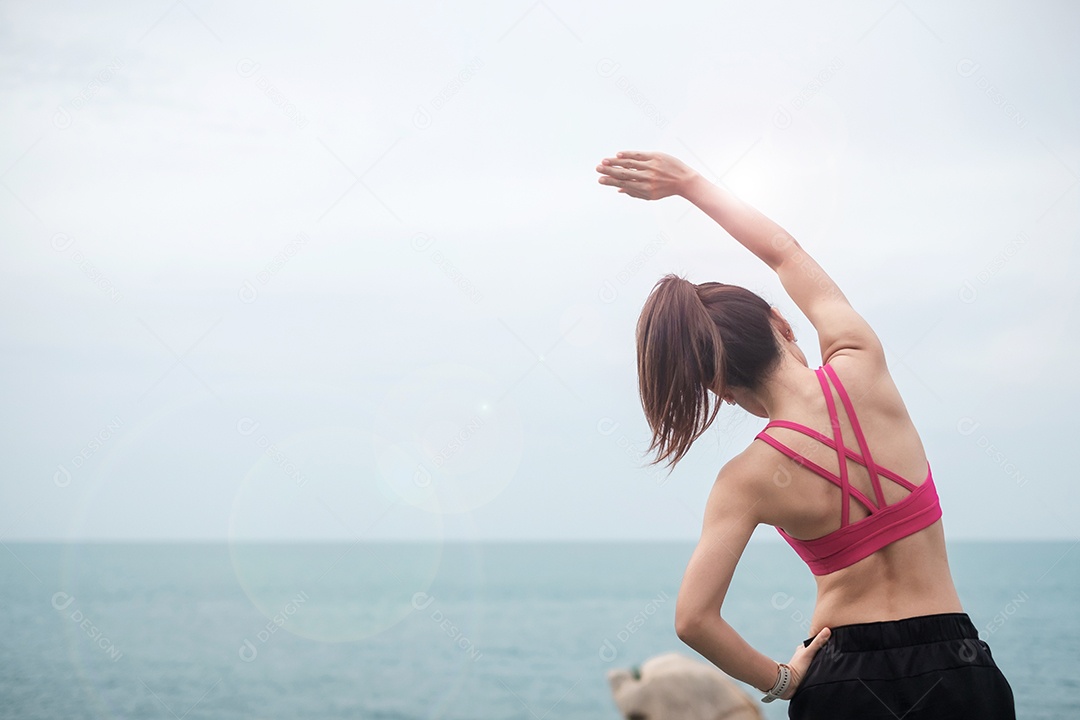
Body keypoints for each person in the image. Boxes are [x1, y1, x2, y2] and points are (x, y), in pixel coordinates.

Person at [595, 150, 1017, 719]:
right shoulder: (861, 361)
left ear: (719, 388)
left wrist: (784, 679)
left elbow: (693, 620)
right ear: (782, 322)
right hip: (957, 666)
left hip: (845, 680)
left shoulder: (744, 479)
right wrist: (689, 183)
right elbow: (783, 250)